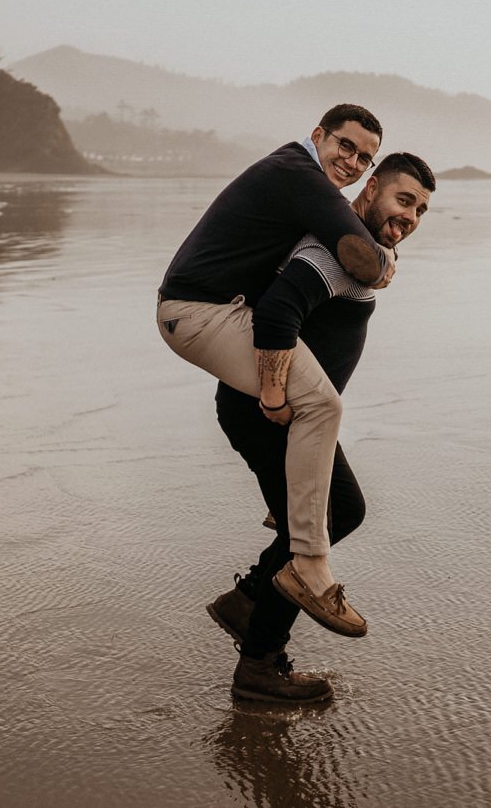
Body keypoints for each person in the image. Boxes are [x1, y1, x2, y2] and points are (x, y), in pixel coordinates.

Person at [156, 106, 396, 643]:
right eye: (346, 146)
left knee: (332, 495)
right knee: (322, 406)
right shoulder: (299, 175)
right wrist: (384, 265)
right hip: (200, 311)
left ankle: (251, 602)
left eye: (364, 156)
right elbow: (360, 257)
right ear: (318, 136)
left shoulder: (297, 178)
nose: (352, 161)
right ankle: (308, 565)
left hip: (207, 309)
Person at [204, 152, 436, 703]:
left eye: (422, 210)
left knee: (312, 522)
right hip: (270, 413)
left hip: (283, 413)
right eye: (404, 200)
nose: (411, 216)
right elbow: (278, 312)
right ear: (371, 186)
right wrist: (275, 398)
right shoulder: (337, 249)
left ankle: (250, 609)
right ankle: (259, 664)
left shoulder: (360, 252)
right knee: (329, 517)